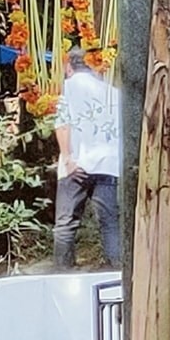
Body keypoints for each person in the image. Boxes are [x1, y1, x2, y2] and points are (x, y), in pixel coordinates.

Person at [54, 49, 123, 268]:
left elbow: (62, 124)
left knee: (65, 224)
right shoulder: (113, 93)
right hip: (108, 165)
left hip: (76, 165)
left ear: (69, 67)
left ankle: (63, 273)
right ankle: (117, 269)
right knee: (110, 223)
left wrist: (68, 159)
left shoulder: (68, 88)